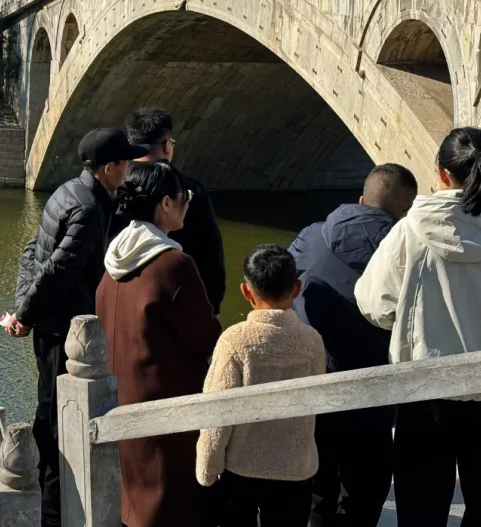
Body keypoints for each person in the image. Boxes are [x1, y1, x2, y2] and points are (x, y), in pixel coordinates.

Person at [355, 127, 481, 527]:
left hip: (425, 393)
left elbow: (373, 305)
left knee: (421, 512)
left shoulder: (410, 233)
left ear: (441, 173)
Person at [8, 127, 148, 527]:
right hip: (62, 332)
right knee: (59, 422)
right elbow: (58, 271)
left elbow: (32, 251)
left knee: (49, 411)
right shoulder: (88, 210)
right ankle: (53, 512)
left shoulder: (67, 191)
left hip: (50, 324)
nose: (129, 169)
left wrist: (23, 307)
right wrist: (25, 315)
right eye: (125, 163)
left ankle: (46, 499)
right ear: (108, 168)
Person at [291, 164, 419, 527]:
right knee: (365, 487)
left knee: (319, 485)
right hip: (373, 390)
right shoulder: (411, 253)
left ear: (362, 199)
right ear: (406, 212)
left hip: (313, 380)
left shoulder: (311, 236)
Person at [97, 162, 221, 527]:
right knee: (170, 506)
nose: (188, 204)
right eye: (185, 197)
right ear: (166, 203)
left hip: (118, 401)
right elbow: (207, 338)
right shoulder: (173, 265)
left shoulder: (113, 263)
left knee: (132, 506)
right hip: (165, 411)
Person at [196, 244, 325, 526]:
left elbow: (217, 412)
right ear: (297, 288)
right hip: (295, 467)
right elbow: (316, 405)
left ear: (246, 291)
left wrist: (208, 467)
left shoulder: (235, 340)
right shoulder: (312, 341)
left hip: (242, 466)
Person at [120, 108, 226, 311]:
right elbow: (210, 256)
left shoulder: (115, 186)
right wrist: (211, 308)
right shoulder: (187, 190)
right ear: (166, 145)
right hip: (180, 301)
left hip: (122, 302)